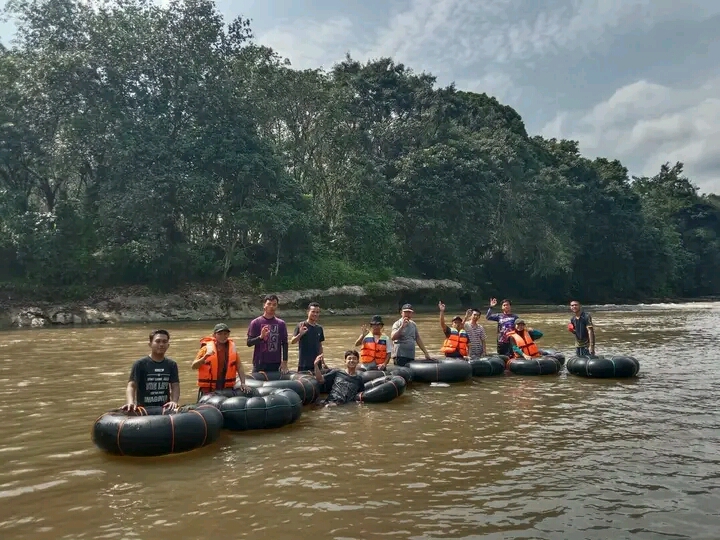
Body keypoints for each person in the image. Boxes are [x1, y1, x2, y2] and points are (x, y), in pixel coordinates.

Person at [122, 330, 179, 412]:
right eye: (158, 341)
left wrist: (174, 401)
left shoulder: (171, 364)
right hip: (144, 409)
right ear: (150, 344)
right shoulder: (140, 364)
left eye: (164, 342)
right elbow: (131, 386)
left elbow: (175, 385)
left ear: (168, 345)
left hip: (164, 409)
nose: (161, 344)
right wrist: (131, 402)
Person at [191, 323, 248, 399]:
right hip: (209, 389)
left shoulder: (232, 349)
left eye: (225, 334)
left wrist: (243, 383)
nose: (223, 336)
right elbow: (194, 366)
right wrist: (204, 358)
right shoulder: (205, 349)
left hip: (226, 388)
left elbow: (239, 366)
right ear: (214, 335)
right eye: (220, 334)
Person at [247, 294, 289, 374]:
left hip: (276, 363)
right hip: (259, 363)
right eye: (269, 304)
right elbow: (249, 343)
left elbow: (285, 344)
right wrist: (261, 337)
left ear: (277, 306)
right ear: (264, 305)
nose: (271, 306)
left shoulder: (281, 324)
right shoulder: (255, 323)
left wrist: (285, 362)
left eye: (274, 304)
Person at [291, 302, 326, 371]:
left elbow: (320, 345)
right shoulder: (301, 325)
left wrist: (323, 362)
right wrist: (300, 334)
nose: (315, 314)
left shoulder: (319, 328)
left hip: (317, 363)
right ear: (308, 312)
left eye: (317, 312)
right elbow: (292, 341)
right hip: (304, 364)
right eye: (313, 312)